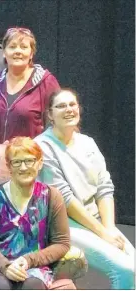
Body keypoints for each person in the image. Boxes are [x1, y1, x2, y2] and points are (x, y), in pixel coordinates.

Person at [35, 89, 135, 289]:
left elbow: (104, 187)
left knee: (133, 263)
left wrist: (109, 228)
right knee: (125, 269)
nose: (69, 110)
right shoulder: (43, 146)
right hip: (65, 225)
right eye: (61, 106)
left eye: (72, 105)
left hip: (96, 221)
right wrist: (103, 233)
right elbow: (64, 198)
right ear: (50, 114)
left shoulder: (87, 143)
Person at [0, 137, 70, 290]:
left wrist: (28, 260)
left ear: (39, 163)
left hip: (34, 265)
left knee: (32, 285)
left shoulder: (52, 196)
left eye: (29, 161)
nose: (24, 167)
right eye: (17, 162)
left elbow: (62, 243)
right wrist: (6, 266)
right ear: (9, 166)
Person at [0, 27, 60, 144]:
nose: (17, 51)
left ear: (31, 53)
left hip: (30, 158)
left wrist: (30, 148)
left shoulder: (46, 82)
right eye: (12, 47)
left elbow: (57, 122)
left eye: (23, 47)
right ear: (4, 52)